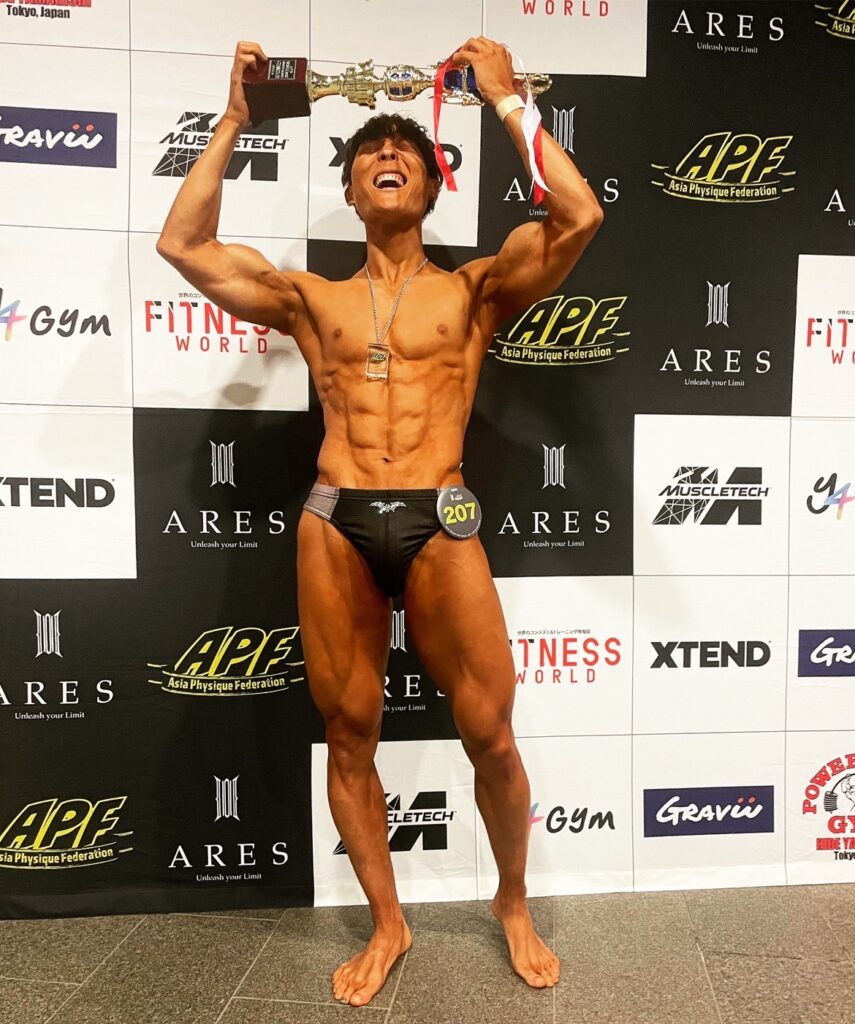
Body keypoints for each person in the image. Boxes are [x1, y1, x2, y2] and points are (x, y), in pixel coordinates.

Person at [157, 36, 603, 1007]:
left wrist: (507, 99)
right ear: (353, 191)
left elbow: (579, 214)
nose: (387, 154)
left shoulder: (476, 291)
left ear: (431, 184)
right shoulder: (310, 301)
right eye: (368, 154)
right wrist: (234, 118)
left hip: (440, 513)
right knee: (349, 731)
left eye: (403, 150)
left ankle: (511, 898)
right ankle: (389, 921)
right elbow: (184, 246)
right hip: (335, 519)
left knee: (491, 733)